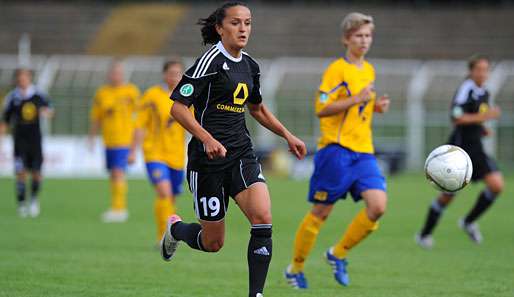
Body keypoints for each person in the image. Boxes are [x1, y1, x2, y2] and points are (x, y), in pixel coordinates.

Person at [159, 3, 307, 297]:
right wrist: (206, 138)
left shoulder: (250, 66)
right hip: (207, 162)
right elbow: (178, 108)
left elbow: (257, 108)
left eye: (248, 23)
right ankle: (176, 230)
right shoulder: (209, 61)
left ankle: (256, 294)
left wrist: (287, 135)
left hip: (241, 154)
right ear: (220, 28)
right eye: (236, 23)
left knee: (263, 218)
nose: (243, 29)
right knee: (213, 243)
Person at [284, 12, 391, 289]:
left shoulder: (368, 70)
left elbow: (359, 107)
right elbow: (322, 108)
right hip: (336, 151)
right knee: (321, 212)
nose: (364, 40)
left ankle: (338, 253)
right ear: (346, 39)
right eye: (359, 35)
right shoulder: (336, 69)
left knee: (378, 207)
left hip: (364, 152)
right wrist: (358, 99)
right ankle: (295, 268)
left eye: (368, 35)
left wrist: (374, 107)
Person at [416, 55, 503, 248]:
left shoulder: (484, 92)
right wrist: (485, 116)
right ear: (471, 71)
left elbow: (474, 119)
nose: (482, 73)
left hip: (477, 148)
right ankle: (424, 234)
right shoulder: (466, 89)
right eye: (478, 69)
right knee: (447, 196)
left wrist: (482, 127)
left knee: (496, 185)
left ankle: (468, 221)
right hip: (460, 150)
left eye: (485, 69)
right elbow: (457, 118)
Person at [129, 60, 187, 243]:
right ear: (164, 75)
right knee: (164, 192)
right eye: (171, 73)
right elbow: (140, 125)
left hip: (177, 155)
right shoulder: (152, 96)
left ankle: (167, 232)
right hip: (154, 153)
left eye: (178, 73)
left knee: (171, 197)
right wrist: (132, 151)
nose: (174, 77)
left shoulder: (187, 96)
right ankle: (164, 236)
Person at [88, 60, 140, 223]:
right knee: (113, 174)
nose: (115, 75)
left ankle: (119, 208)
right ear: (109, 75)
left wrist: (135, 143)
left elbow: (140, 116)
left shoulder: (131, 91)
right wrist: (91, 136)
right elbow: (96, 117)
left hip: (124, 139)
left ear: (122, 74)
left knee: (118, 172)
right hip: (108, 140)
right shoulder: (102, 93)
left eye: (118, 73)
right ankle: (116, 207)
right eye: (113, 73)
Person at [0, 68, 53, 218]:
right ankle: (22, 203)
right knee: (20, 173)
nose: (22, 80)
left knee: (36, 173)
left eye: (25, 77)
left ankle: (34, 200)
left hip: (35, 141)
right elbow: (5, 120)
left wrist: (46, 113)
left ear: (30, 78)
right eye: (20, 77)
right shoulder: (12, 97)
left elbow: (51, 110)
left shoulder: (38, 95)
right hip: (19, 141)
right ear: (17, 79)